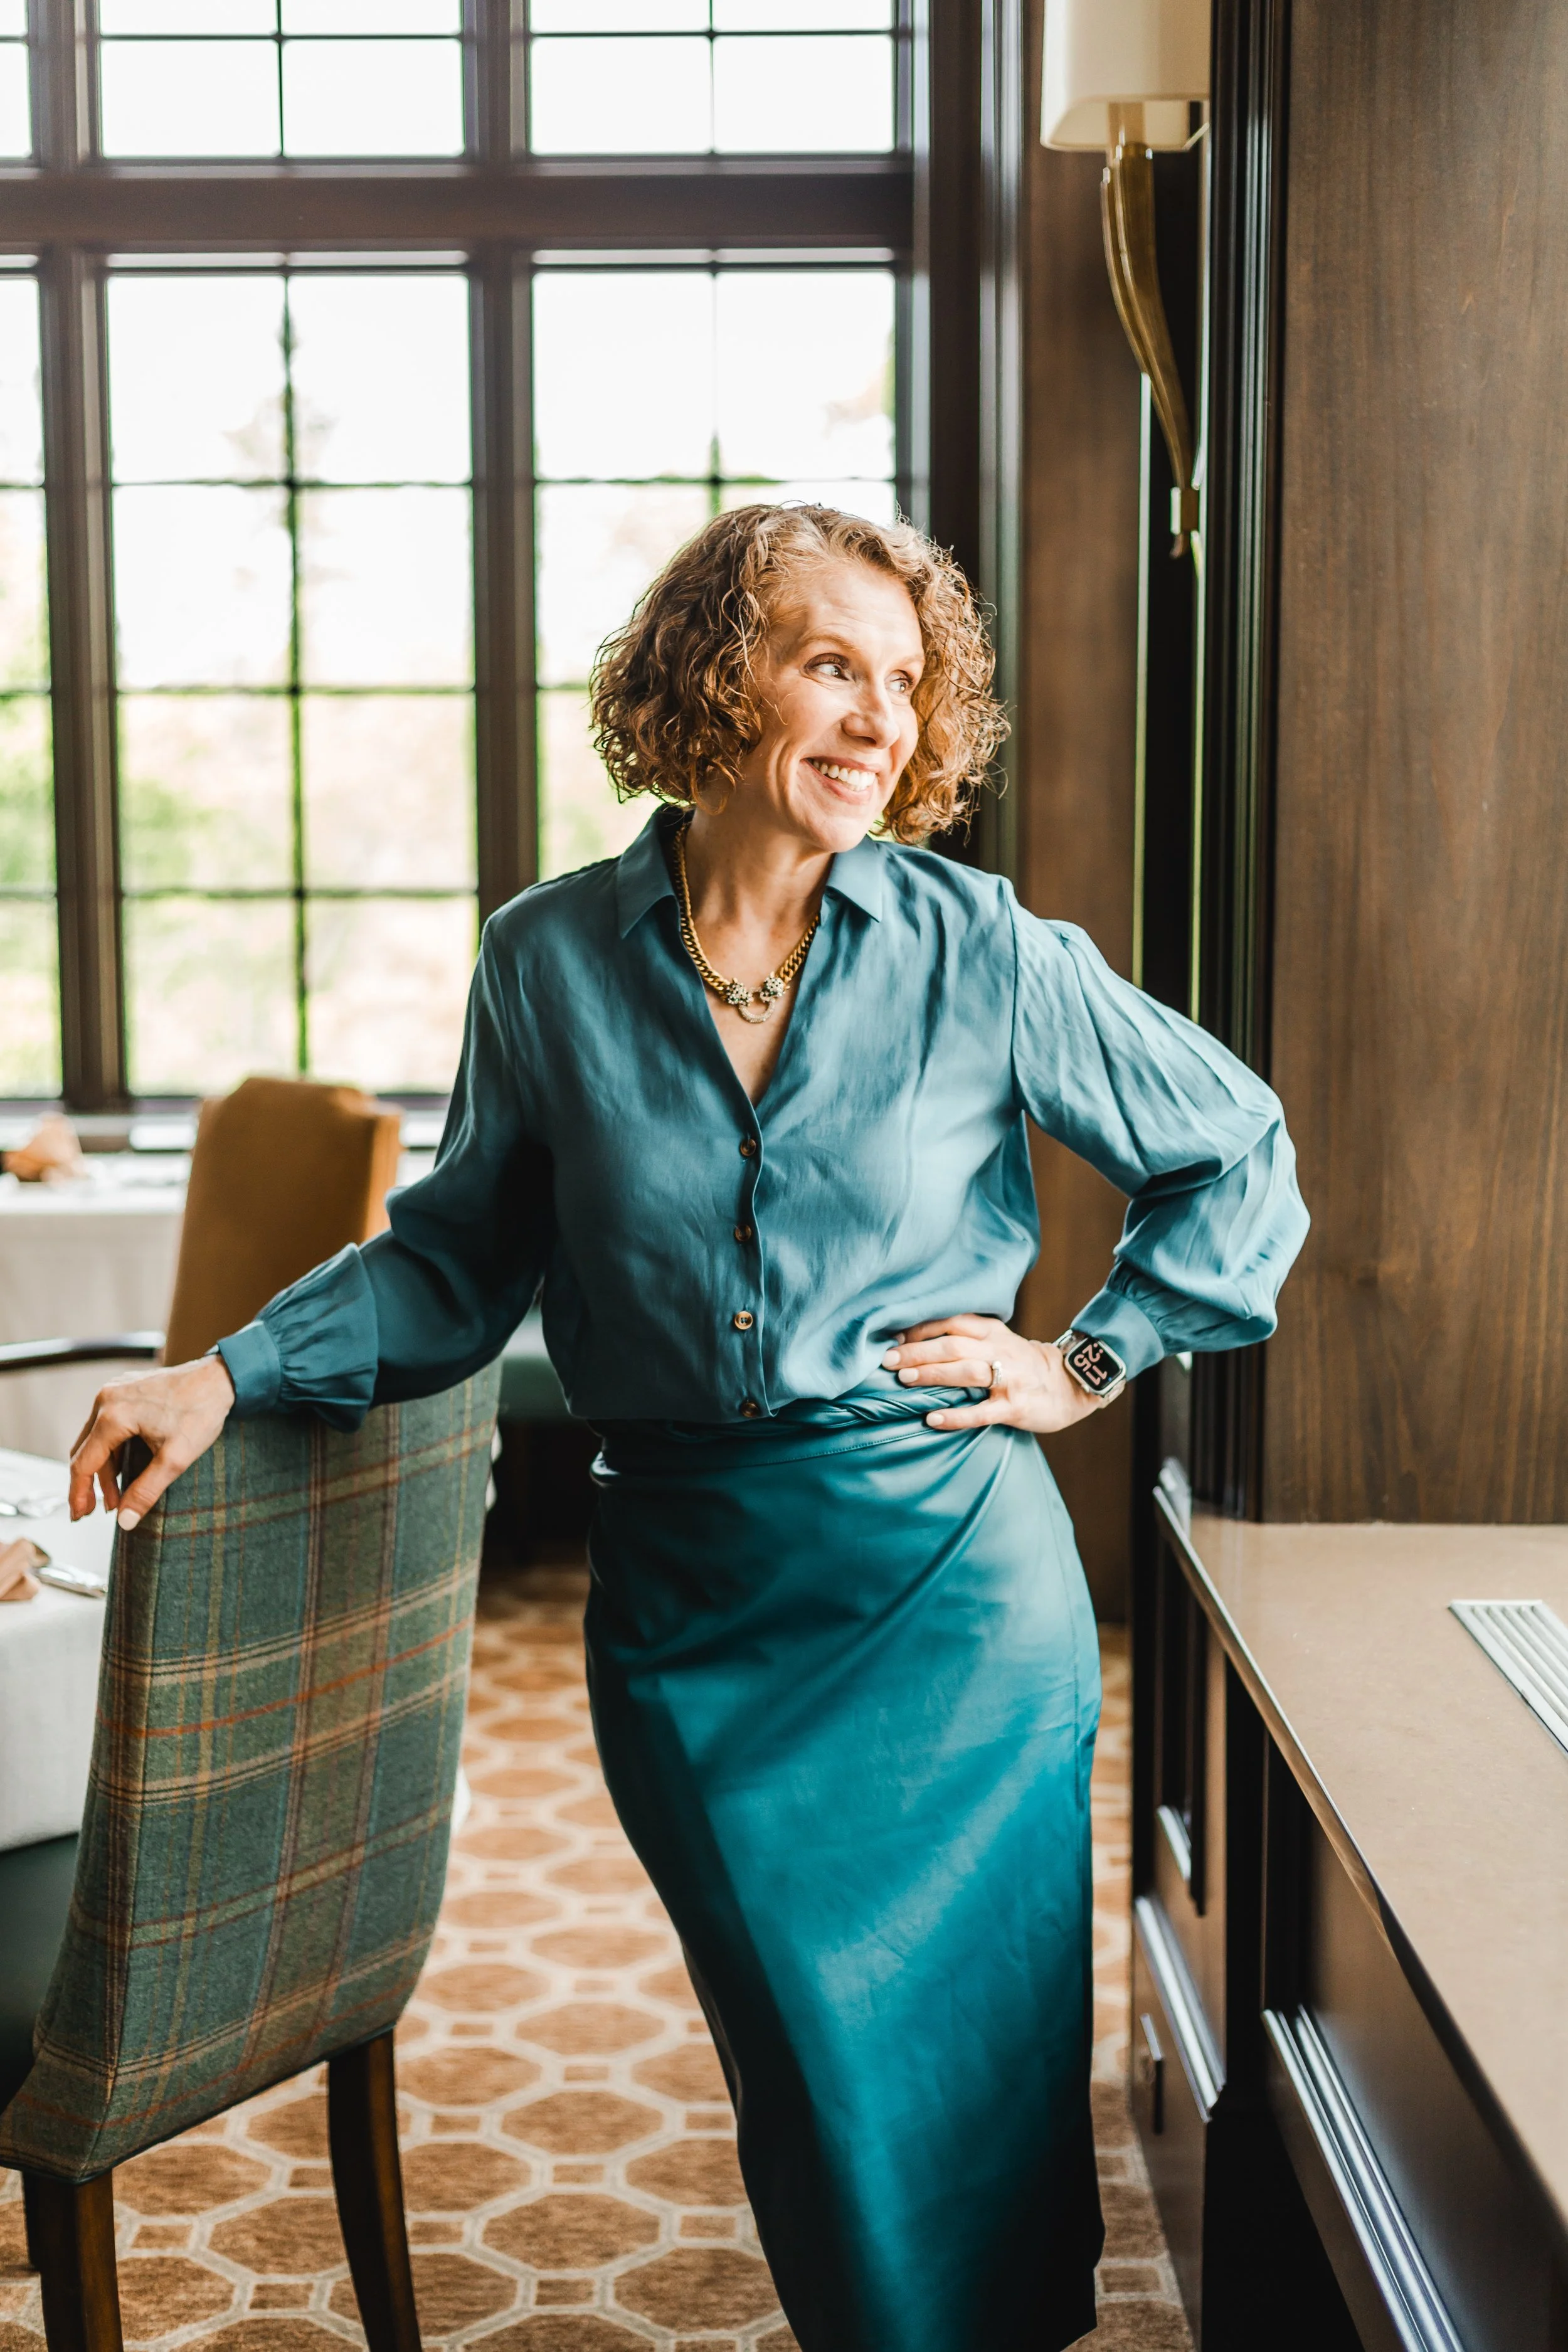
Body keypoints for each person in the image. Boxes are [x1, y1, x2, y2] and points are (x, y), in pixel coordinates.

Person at [70, 504, 1307, 2352]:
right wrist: (225, 1370)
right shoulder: (549, 961)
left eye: (904, 683)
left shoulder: (983, 948)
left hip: (955, 1601)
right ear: (718, 681)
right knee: (811, 2075)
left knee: (973, 2095)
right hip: (693, 1617)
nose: (876, 718)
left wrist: (1086, 1363)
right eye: (831, 664)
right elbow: (453, 1262)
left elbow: (1236, 1150)